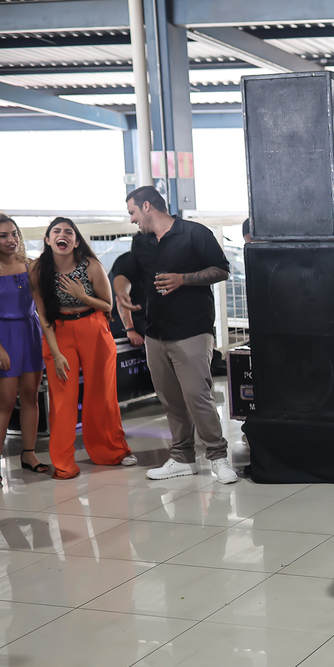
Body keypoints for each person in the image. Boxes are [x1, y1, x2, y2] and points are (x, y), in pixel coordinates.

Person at [116, 186, 236, 484]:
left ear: (147, 206)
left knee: (197, 396)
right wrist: (121, 291)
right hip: (155, 333)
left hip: (192, 330)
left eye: (132, 212)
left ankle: (218, 457)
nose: (132, 220)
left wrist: (183, 279)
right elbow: (125, 272)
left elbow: (222, 270)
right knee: (170, 400)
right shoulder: (141, 241)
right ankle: (182, 458)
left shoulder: (195, 233)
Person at [28, 217, 135, 480]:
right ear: (48, 239)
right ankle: (63, 464)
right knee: (62, 399)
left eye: (69, 232)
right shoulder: (38, 269)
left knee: (102, 393)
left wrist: (83, 296)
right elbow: (43, 315)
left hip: (93, 326)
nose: (62, 235)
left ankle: (111, 451)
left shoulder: (92, 266)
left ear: (76, 241)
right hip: (58, 331)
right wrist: (56, 354)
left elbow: (108, 306)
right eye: (56, 231)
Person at [0, 213, 49, 481]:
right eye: (3, 236)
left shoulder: (30, 265)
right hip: (3, 336)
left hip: (30, 332)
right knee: (6, 402)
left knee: (30, 396)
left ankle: (29, 453)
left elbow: (41, 304)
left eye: (14, 234)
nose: (11, 239)